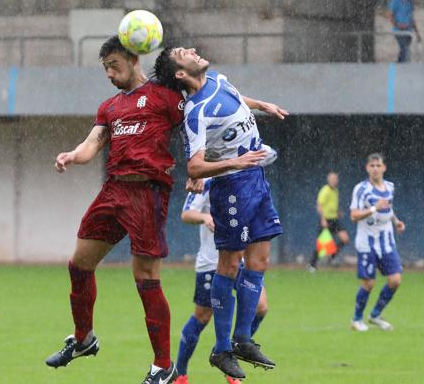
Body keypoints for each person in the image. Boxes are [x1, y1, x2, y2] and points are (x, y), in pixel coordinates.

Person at [44, 36, 187, 384]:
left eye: (114, 65)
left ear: (134, 59)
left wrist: (202, 169)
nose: (109, 73)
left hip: (147, 193)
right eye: (105, 67)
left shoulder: (166, 98)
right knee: (79, 264)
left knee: (146, 280)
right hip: (113, 191)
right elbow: (91, 144)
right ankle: (83, 339)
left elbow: (197, 125)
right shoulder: (110, 107)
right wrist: (71, 156)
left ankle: (163, 366)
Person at [153, 46, 288, 380]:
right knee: (229, 264)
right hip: (232, 186)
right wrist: (234, 162)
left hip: (256, 178)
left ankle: (243, 338)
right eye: (184, 52)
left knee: (259, 261)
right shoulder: (195, 112)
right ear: (180, 74)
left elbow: (237, 99)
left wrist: (261, 105)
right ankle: (221, 349)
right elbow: (195, 167)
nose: (194, 50)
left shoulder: (218, 79)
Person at [175, 177, 269, 384]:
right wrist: (204, 217)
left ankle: (228, 353)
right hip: (212, 262)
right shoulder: (207, 181)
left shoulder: (249, 177)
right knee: (202, 317)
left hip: (241, 260)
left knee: (261, 307)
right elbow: (186, 214)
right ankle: (179, 373)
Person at [349, 153, 406, 332]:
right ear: (367, 168)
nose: (375, 168)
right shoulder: (361, 189)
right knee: (369, 283)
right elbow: (353, 215)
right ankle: (357, 319)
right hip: (367, 243)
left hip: (387, 242)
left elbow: (388, 208)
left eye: (378, 165)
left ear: (384, 168)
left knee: (395, 280)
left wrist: (396, 221)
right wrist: (374, 208)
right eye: (372, 165)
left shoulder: (390, 187)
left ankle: (375, 315)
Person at [307, 171, 350, 272]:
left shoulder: (335, 191)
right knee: (321, 244)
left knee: (345, 239)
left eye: (335, 179)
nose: (334, 181)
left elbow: (330, 205)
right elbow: (319, 205)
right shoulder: (325, 190)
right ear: (328, 180)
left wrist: (337, 212)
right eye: (332, 179)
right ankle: (311, 265)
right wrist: (323, 219)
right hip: (326, 220)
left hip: (334, 219)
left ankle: (331, 256)